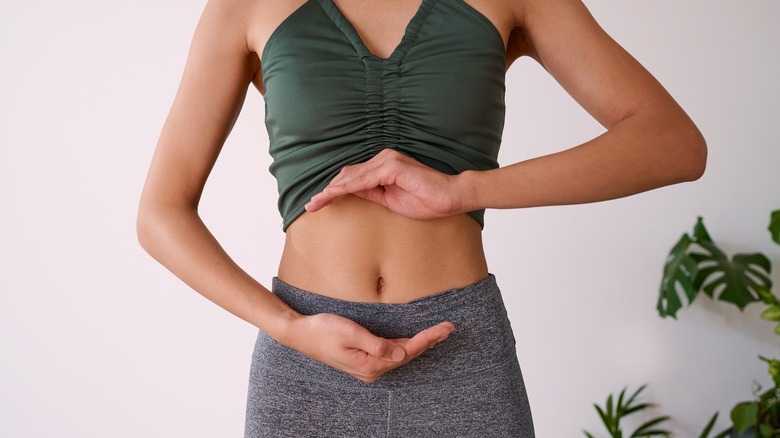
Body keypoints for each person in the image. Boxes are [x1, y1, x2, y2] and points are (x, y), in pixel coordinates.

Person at [137, 0, 706, 435]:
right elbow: (161, 213)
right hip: (305, 357)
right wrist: (289, 329)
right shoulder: (246, 6)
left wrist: (466, 190)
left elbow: (674, 144)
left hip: (461, 348)